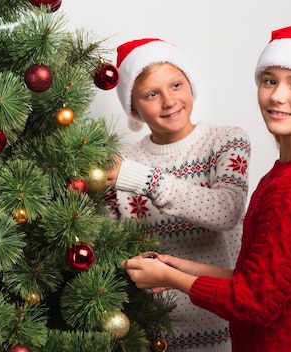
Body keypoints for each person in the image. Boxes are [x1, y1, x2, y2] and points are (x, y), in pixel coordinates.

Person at [121, 25, 291, 351]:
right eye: (270, 81)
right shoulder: (283, 175)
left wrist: (169, 279)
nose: (278, 95)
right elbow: (261, 281)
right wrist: (185, 267)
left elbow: (253, 303)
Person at [106, 38, 250, 352]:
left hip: (225, 322)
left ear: (190, 86)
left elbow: (226, 211)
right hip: (154, 331)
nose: (169, 101)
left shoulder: (225, 141)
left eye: (176, 85)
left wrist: (141, 179)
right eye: (151, 94)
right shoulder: (121, 164)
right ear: (134, 106)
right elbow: (110, 246)